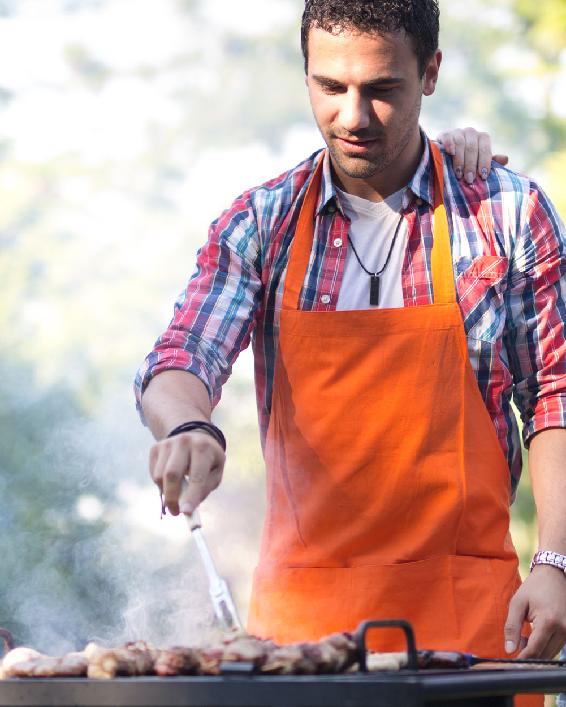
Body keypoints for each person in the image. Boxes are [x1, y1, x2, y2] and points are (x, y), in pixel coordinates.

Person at [135, 1, 566, 704]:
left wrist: (557, 563)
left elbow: (555, 395)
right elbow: (182, 356)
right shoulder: (261, 222)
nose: (353, 115)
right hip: (298, 648)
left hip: (470, 633)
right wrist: (187, 425)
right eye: (330, 87)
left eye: (381, 89)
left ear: (430, 73)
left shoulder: (506, 213)